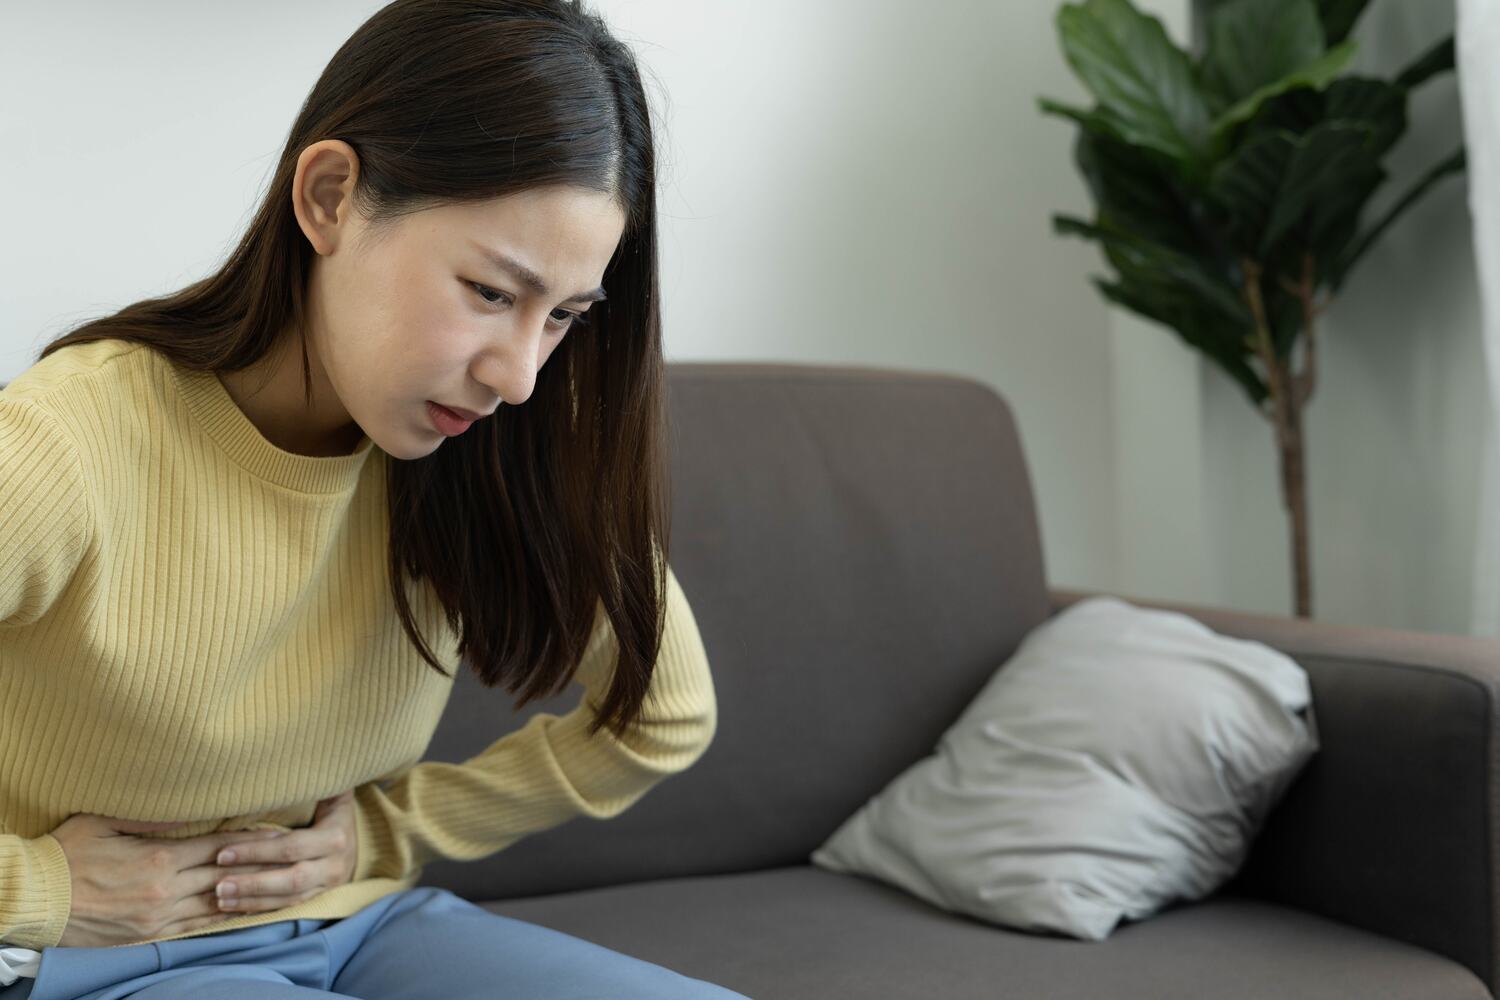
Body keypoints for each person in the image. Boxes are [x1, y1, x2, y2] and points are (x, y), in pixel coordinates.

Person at [0, 0, 744, 996]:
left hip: (359, 928)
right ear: (330, 196)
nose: (520, 371)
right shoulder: (61, 447)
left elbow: (664, 711)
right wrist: (35, 885)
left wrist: (388, 832)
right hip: (83, 965)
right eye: (490, 291)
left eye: (562, 315)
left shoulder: (494, 444)